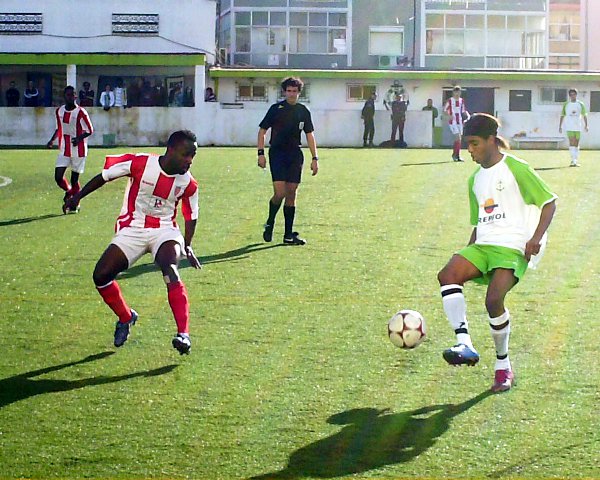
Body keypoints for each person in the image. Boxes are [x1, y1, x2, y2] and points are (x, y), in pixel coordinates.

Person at [437, 113, 557, 393]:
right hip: (484, 244)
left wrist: (535, 239)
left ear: (491, 140)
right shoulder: (475, 180)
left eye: (474, 143)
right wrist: (467, 251)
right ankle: (464, 343)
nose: (470, 150)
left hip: (513, 246)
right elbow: (478, 222)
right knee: (448, 275)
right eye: (467, 144)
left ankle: (503, 366)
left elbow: (549, 203)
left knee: (493, 301)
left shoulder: (516, 168)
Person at [64, 130, 202, 354]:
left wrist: (187, 245)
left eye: (193, 156)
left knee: (170, 267)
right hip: (133, 228)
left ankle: (183, 335)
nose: (189, 160)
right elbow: (104, 177)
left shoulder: (189, 184)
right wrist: (77, 197)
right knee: (101, 276)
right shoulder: (141, 163)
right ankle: (126, 317)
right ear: (171, 150)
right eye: (186, 154)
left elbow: (190, 216)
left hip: (165, 230)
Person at [257, 76, 319, 246]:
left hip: (295, 154)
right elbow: (262, 131)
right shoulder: (276, 109)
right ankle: (270, 222)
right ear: (284, 92)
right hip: (277, 153)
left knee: (292, 192)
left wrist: (315, 158)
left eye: (294, 91)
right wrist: (260, 153)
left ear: (299, 92)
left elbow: (309, 134)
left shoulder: (303, 111)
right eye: (289, 91)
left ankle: (288, 235)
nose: (291, 94)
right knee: (280, 193)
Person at [47, 85, 94, 213]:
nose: (70, 97)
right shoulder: (59, 111)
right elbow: (59, 128)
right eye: (67, 95)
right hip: (64, 148)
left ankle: (75, 204)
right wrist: (52, 140)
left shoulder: (81, 112)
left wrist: (78, 138)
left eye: (72, 94)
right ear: (64, 96)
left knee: (74, 179)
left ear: (75, 96)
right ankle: (69, 193)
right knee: (58, 177)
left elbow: (90, 130)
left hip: (79, 150)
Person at [558, 88, 588, 167]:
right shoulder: (566, 104)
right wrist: (560, 126)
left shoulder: (580, 104)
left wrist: (586, 125)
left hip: (578, 126)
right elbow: (562, 115)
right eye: (571, 95)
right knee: (571, 142)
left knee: (576, 143)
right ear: (569, 96)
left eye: (574, 94)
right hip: (569, 126)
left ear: (576, 95)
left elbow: (584, 115)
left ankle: (576, 160)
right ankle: (572, 160)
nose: (572, 96)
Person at [445, 86, 470, 162]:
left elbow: (463, 110)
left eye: (459, 92)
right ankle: (456, 155)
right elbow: (445, 110)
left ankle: (455, 155)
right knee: (458, 137)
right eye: (456, 92)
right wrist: (449, 115)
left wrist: (468, 115)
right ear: (453, 92)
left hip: (459, 121)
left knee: (459, 139)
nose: (457, 93)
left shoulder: (461, 100)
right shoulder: (450, 100)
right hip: (453, 122)